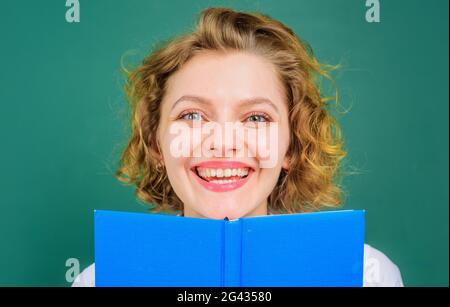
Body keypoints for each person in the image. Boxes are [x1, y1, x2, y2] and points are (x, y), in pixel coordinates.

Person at [73, 7, 403, 287]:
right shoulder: (98, 281)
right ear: (157, 144)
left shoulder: (367, 276)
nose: (223, 142)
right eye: (191, 115)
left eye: (256, 118)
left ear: (291, 147)